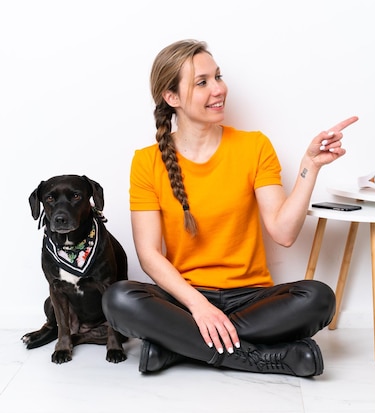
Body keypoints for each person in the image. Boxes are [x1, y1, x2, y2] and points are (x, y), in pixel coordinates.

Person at [102, 39, 358, 377]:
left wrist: (310, 166)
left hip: (250, 300)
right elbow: (149, 254)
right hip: (183, 300)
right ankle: (271, 358)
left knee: (319, 297)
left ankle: (178, 348)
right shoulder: (146, 162)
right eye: (202, 82)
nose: (219, 89)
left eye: (218, 77)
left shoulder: (254, 147)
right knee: (119, 299)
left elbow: (283, 233)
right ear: (171, 97)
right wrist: (199, 307)